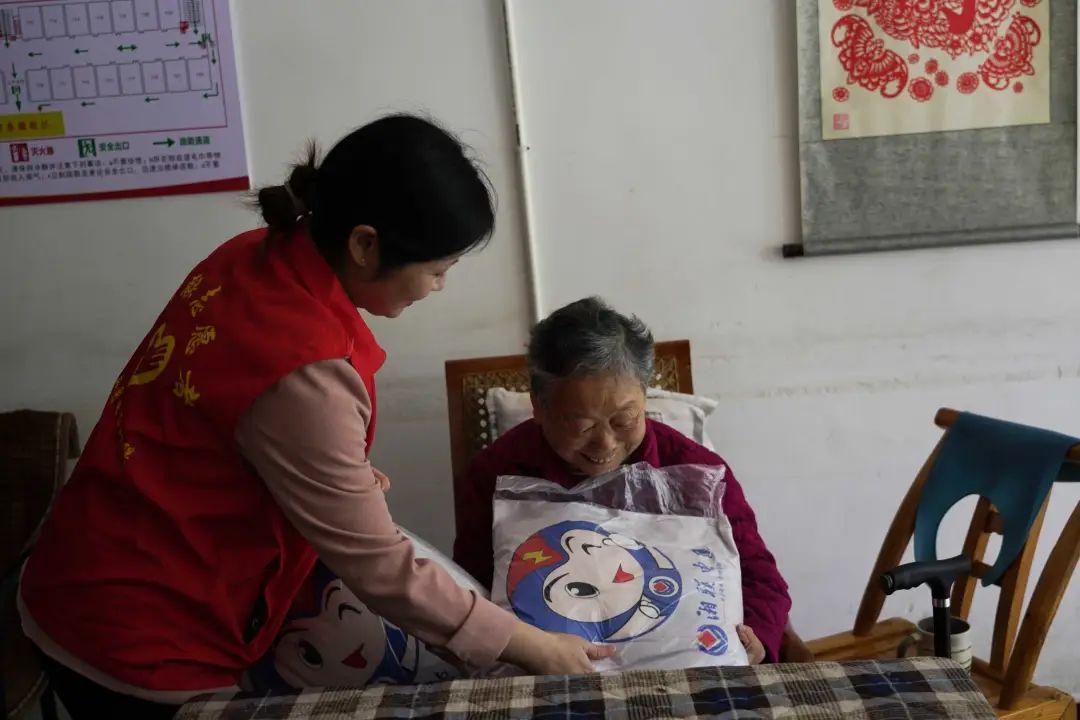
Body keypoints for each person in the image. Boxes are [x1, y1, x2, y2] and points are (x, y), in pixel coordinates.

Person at [17, 115, 612, 719]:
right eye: (438, 270)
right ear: (364, 245)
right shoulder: (303, 368)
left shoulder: (253, 254)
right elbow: (379, 566)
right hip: (140, 631)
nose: (437, 288)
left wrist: (321, 473)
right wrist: (532, 645)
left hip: (82, 560)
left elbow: (224, 424)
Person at [453, 297, 792, 664]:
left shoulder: (695, 472)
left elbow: (760, 578)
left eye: (624, 420)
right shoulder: (498, 473)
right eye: (583, 426)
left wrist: (757, 638)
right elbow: (471, 588)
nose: (605, 444)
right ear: (539, 406)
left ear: (645, 396)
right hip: (550, 669)